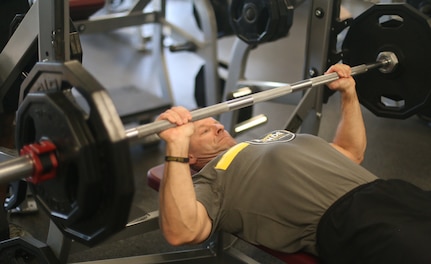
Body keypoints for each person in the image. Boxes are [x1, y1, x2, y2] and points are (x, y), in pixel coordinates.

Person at [156, 64, 431, 264]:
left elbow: (350, 151)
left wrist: (349, 93)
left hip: (387, 191)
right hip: (348, 220)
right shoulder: (212, 178)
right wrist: (176, 144)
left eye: (213, 122)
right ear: (189, 157)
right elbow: (183, 230)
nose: (215, 126)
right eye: (202, 131)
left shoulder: (264, 140)